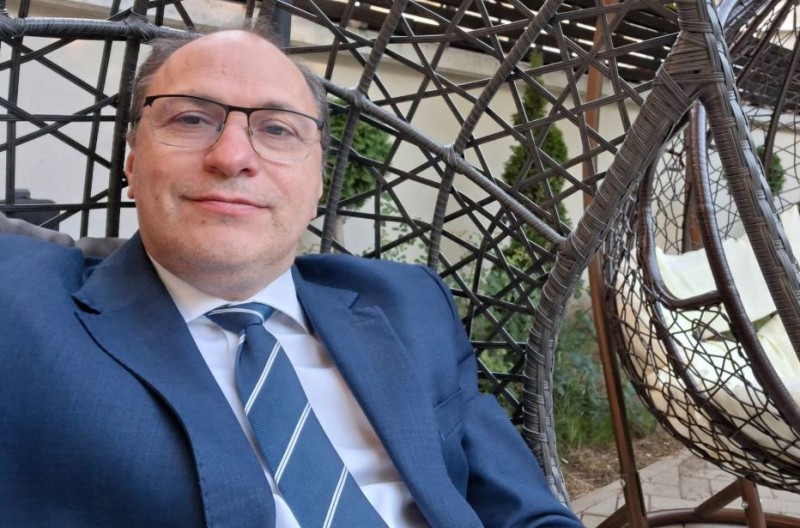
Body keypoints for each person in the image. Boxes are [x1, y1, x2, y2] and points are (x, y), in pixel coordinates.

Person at [0, 27, 582, 527]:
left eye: (278, 130)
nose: (232, 156)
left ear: (318, 181)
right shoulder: (22, 299)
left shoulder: (408, 303)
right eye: (191, 118)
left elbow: (524, 510)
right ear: (132, 161)